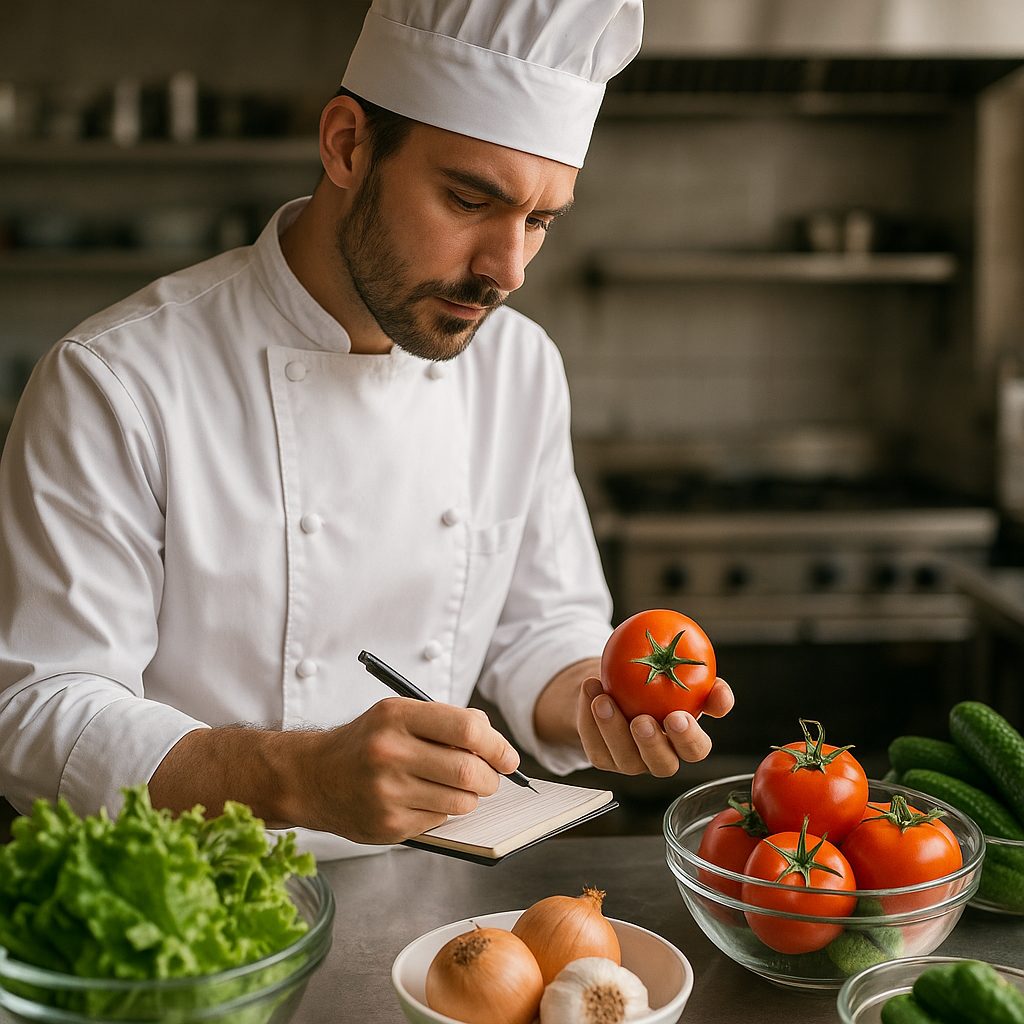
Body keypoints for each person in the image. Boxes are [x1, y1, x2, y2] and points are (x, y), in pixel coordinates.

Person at [0, 0, 733, 859]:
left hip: (427, 897)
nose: (509, 270)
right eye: (469, 200)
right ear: (348, 144)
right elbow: (39, 711)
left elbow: (541, 627)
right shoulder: (117, 380)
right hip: (176, 902)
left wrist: (590, 699)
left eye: (538, 222)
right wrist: (298, 779)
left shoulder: (520, 369)